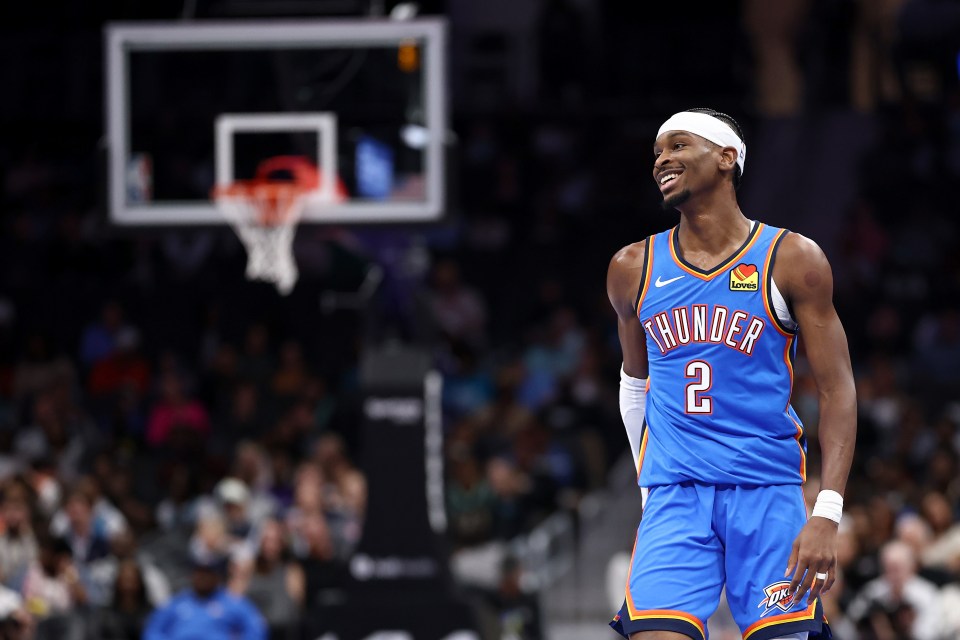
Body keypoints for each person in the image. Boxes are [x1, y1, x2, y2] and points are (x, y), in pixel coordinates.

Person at [607, 108, 857, 640]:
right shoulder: (633, 266)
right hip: (676, 493)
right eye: (657, 152)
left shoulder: (792, 258)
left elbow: (837, 390)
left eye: (677, 146)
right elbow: (635, 386)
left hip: (767, 490)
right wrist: (648, 486)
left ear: (726, 158)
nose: (662, 160)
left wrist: (827, 512)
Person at [142, 548, 266, 640]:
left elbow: (256, 630)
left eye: (207, 573)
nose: (202, 578)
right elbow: (152, 631)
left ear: (217, 577)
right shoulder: (177, 602)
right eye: (199, 573)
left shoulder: (233, 602)